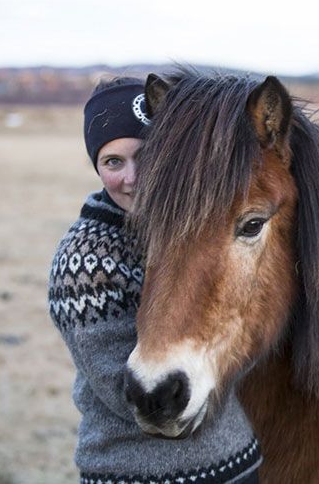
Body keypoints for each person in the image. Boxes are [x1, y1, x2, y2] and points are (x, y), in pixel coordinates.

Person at [47, 77, 261, 484]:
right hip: (141, 474)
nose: (133, 177)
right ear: (96, 167)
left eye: (146, 156)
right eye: (113, 162)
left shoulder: (188, 233)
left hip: (236, 464)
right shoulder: (84, 260)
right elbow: (135, 396)